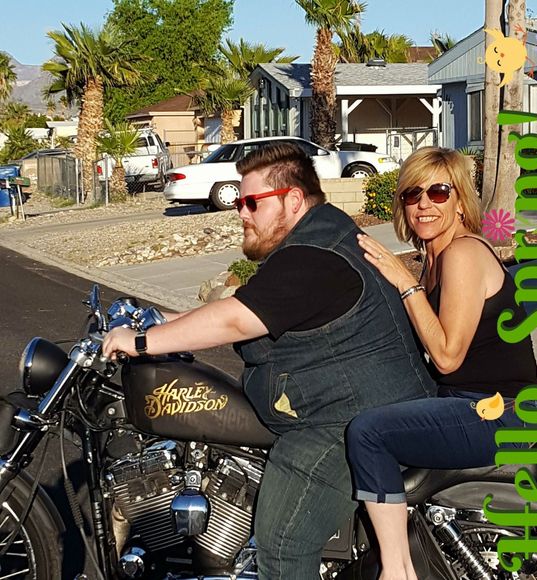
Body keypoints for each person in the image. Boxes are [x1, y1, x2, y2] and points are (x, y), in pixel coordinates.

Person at [103, 142, 436, 579]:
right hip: (347, 405)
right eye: (239, 203)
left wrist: (144, 342)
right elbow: (249, 306)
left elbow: (236, 320)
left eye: (252, 203)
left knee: (280, 546)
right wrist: (160, 320)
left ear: (292, 200)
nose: (242, 213)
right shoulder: (315, 239)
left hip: (348, 420)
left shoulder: (315, 256)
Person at [346, 146, 537, 580]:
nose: (424, 204)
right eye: (412, 194)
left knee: (369, 433)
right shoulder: (433, 258)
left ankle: (397, 570)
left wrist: (404, 282)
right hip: (469, 402)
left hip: (500, 412)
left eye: (438, 192)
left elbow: (448, 356)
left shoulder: (463, 254)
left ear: (460, 201)